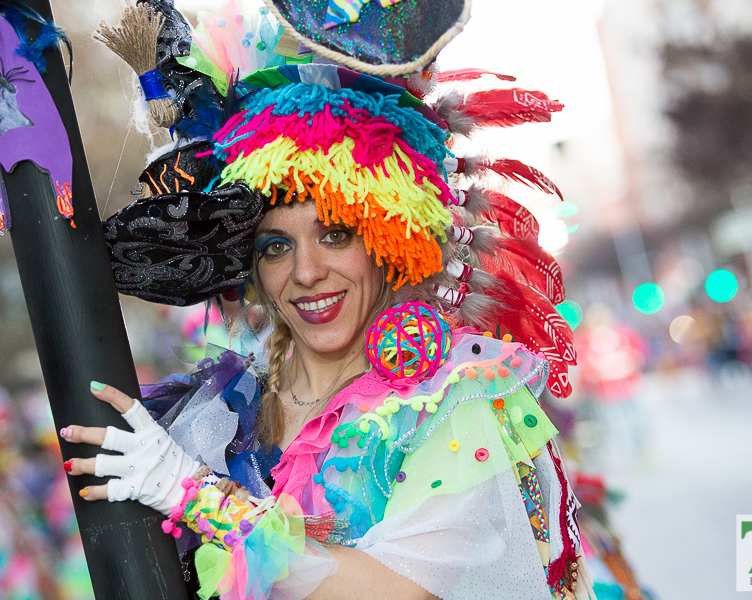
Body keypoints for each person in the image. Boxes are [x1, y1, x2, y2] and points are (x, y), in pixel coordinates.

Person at [63, 1, 591, 598]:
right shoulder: (217, 415)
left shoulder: (448, 405)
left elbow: (399, 593)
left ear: (387, 238)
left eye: (335, 234)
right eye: (274, 246)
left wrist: (194, 494)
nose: (307, 273)